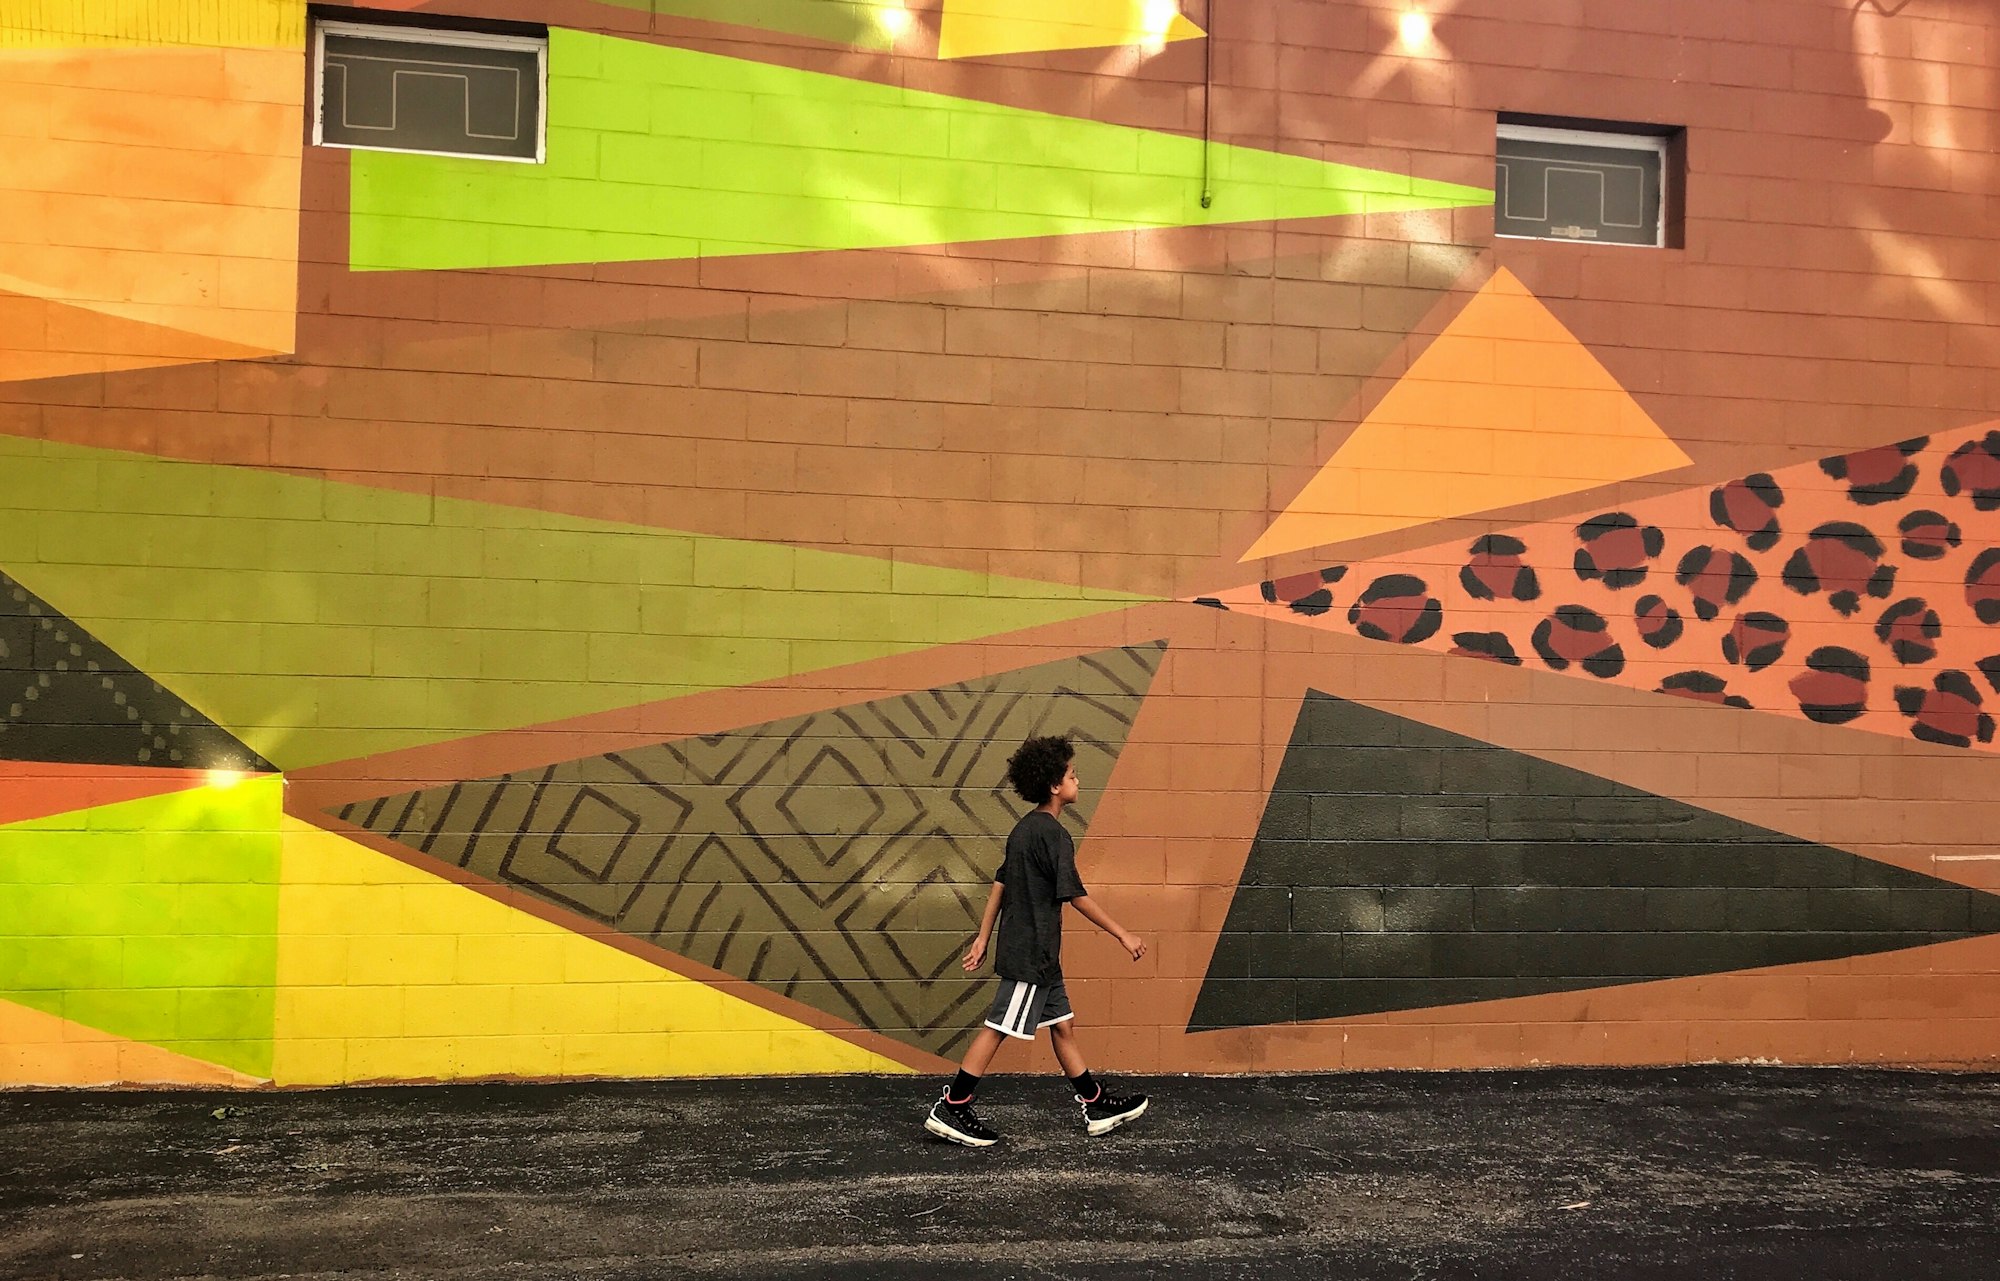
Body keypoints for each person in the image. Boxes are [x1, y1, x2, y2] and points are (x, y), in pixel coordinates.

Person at [924, 734, 1149, 1147]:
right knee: (998, 1027)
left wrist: (982, 938)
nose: (1078, 781)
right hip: (1033, 953)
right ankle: (953, 1106)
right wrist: (1123, 933)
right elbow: (1075, 895)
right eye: (1072, 775)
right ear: (1054, 786)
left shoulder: (1024, 830)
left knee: (1062, 1026)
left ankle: (1094, 1104)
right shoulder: (1054, 836)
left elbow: (1000, 883)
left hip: (1035, 953)